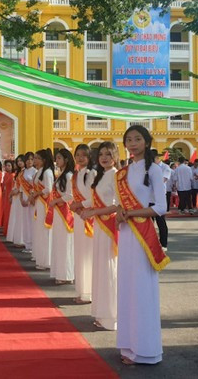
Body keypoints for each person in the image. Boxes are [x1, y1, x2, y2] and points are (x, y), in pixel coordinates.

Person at [115, 125, 168, 365]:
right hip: (126, 233)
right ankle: (128, 345)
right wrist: (119, 213)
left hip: (142, 234)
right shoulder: (123, 173)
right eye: (129, 139)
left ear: (146, 142)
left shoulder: (154, 169)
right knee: (127, 287)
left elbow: (161, 207)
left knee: (142, 290)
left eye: (137, 139)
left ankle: (145, 349)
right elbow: (119, 204)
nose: (133, 143)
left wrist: (132, 212)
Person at [80, 141, 119, 331]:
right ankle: (101, 312)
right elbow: (94, 199)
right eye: (101, 154)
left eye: (108, 154)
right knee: (100, 267)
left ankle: (111, 316)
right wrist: (83, 206)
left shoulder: (116, 176)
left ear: (116, 157)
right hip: (99, 226)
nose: (104, 157)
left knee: (108, 268)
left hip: (109, 226)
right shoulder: (102, 175)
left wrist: (93, 211)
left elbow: (117, 205)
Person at [69, 144, 96, 304]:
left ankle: (88, 293)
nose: (80, 158)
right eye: (77, 155)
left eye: (83, 155)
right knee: (79, 253)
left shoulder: (92, 173)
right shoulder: (76, 174)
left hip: (89, 217)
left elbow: (95, 198)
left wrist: (79, 205)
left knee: (88, 255)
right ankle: (81, 290)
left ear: (89, 157)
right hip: (79, 218)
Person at [48, 149, 75, 284]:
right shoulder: (61, 175)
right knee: (59, 242)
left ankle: (67, 275)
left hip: (65, 213)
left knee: (65, 243)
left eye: (59, 158)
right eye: (56, 158)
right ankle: (61, 272)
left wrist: (56, 201)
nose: (57, 161)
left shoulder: (69, 175)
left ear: (66, 159)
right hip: (59, 213)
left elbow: (70, 195)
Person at [29, 149, 55, 270]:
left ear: (44, 160)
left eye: (37, 158)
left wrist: (36, 193)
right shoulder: (39, 171)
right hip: (39, 203)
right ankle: (40, 257)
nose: (35, 160)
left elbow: (48, 189)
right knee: (39, 230)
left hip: (45, 204)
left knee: (44, 232)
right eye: (34, 158)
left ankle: (46, 261)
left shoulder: (47, 172)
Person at [0, 160, 15, 235]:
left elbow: (13, 187)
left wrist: (11, 196)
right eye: (6, 165)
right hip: (5, 195)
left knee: (9, 212)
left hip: (10, 195)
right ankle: (6, 229)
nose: (7, 167)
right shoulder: (6, 175)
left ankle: (9, 231)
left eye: (9, 166)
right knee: (6, 212)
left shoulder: (13, 175)